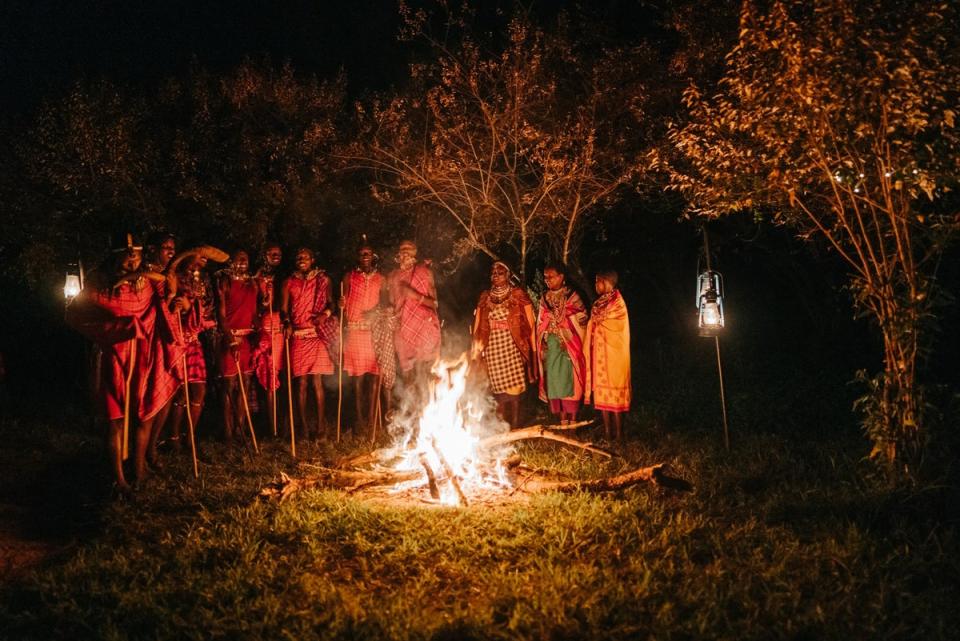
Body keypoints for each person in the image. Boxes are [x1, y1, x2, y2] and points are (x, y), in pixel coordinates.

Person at [66, 233, 183, 494]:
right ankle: (118, 478)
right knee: (114, 420)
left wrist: (177, 302)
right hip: (113, 358)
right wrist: (117, 327)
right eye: (128, 254)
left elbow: (167, 296)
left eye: (137, 254)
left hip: (144, 356)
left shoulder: (148, 282)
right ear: (116, 254)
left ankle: (139, 469)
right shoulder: (100, 284)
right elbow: (74, 314)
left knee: (144, 414)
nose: (133, 259)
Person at [471, 261, 537, 428]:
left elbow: (530, 321)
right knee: (499, 389)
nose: (495, 275)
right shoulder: (485, 297)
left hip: (512, 344)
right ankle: (501, 426)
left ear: (508, 275)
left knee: (514, 389)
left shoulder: (517, 294)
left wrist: (533, 346)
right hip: (493, 346)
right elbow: (478, 325)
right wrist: (476, 350)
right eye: (493, 272)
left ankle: (514, 425)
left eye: (499, 272)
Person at [282, 247, 337, 440]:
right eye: (298, 257)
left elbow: (332, 304)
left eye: (305, 257)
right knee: (301, 384)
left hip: (317, 334)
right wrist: (287, 323)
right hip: (298, 335)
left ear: (312, 259)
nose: (301, 259)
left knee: (317, 383)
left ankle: (321, 427)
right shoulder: (289, 282)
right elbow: (284, 310)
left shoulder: (323, 280)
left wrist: (325, 315)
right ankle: (303, 428)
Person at [166, 248, 217, 450]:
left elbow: (207, 313)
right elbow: (168, 305)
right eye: (201, 254)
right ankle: (174, 438)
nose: (205, 258)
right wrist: (179, 305)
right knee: (180, 393)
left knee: (199, 391)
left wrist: (193, 308)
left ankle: (190, 436)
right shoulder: (175, 277)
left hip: (195, 340)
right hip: (179, 341)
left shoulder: (203, 280)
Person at [340, 238, 387, 437]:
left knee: (375, 378)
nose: (365, 256)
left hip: (373, 332)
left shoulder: (381, 279)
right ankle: (359, 422)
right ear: (358, 257)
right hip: (355, 330)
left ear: (373, 256)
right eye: (362, 254)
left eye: (368, 253)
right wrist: (340, 303)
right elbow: (341, 303)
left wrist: (375, 312)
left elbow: (385, 304)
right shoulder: (349, 277)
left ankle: (372, 421)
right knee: (357, 380)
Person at [387, 240, 440, 402]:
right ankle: (412, 415)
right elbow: (391, 303)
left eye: (409, 249)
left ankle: (428, 407)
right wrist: (389, 311)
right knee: (408, 374)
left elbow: (435, 303)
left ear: (415, 253)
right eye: (402, 249)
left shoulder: (425, 272)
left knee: (425, 372)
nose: (405, 252)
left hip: (424, 328)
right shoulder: (393, 276)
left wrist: (415, 295)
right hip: (403, 330)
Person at [535, 263, 587, 424]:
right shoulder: (545, 298)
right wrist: (543, 340)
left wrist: (568, 335)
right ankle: (563, 422)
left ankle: (573, 422)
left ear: (561, 276)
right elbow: (540, 323)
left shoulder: (573, 297)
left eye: (550, 276)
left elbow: (582, 320)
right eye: (545, 277)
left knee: (571, 383)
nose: (547, 280)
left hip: (570, 345)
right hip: (551, 345)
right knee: (555, 382)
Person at [217, 249, 258, 445]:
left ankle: (240, 428)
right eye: (239, 258)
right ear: (231, 261)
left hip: (247, 340)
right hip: (230, 339)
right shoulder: (224, 282)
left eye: (246, 258)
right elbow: (221, 316)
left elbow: (255, 311)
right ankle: (227, 431)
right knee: (229, 386)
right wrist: (230, 340)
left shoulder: (252, 283)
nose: (243, 262)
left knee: (245, 384)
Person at [585, 270, 631, 441]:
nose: (595, 285)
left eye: (597, 281)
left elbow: (615, 325)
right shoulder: (598, 304)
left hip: (615, 356)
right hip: (600, 354)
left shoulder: (617, 303)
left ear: (607, 282)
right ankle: (607, 432)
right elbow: (595, 323)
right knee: (602, 394)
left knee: (616, 397)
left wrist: (598, 324)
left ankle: (619, 434)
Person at [252, 243, 284, 435]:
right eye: (273, 253)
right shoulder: (257, 278)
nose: (276, 256)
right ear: (265, 255)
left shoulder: (282, 277)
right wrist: (262, 305)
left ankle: (280, 422)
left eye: (279, 253)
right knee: (267, 374)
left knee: (277, 375)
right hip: (265, 328)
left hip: (279, 328)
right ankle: (270, 426)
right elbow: (252, 305)